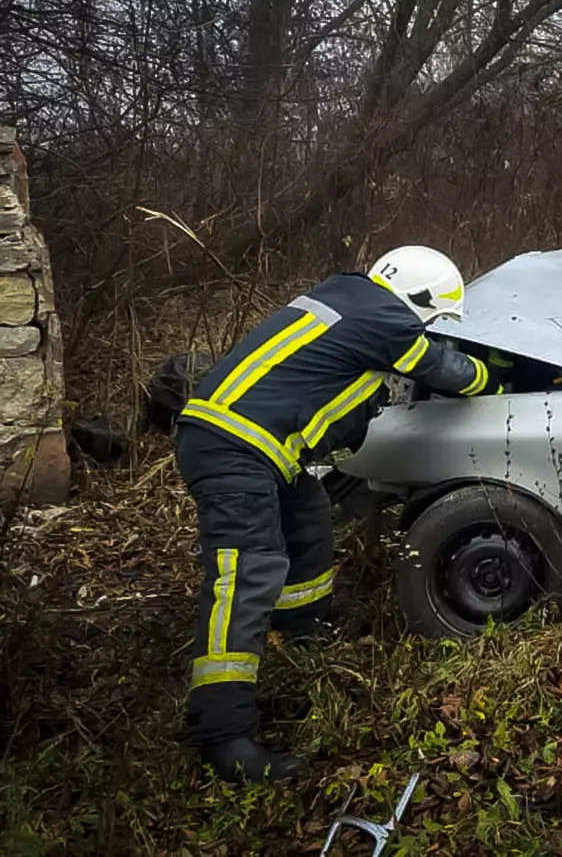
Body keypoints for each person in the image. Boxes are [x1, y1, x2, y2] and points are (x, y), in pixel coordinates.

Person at [174, 246, 494, 782]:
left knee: (308, 523)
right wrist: (495, 376)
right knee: (246, 573)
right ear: (419, 301)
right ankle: (223, 735)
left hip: (255, 447)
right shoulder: (384, 316)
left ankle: (305, 632)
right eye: (434, 320)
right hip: (235, 449)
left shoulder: (351, 300)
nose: (432, 331)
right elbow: (448, 370)